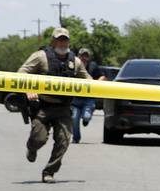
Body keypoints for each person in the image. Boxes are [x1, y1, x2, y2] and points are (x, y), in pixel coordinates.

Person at [17, 27, 85, 182]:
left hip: (63, 108)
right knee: (38, 139)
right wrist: (28, 90)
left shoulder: (76, 61)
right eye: (59, 39)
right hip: (42, 106)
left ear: (69, 41)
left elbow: (88, 81)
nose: (62, 42)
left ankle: (49, 172)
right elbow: (21, 73)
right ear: (53, 41)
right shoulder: (40, 57)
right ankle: (31, 148)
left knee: (64, 141)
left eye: (65, 39)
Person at [68, 48, 101, 142]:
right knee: (74, 118)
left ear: (89, 57)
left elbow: (102, 76)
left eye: (86, 56)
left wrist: (99, 83)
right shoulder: (72, 65)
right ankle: (76, 138)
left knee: (86, 116)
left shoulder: (93, 66)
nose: (84, 58)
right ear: (78, 56)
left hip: (88, 98)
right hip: (75, 99)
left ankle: (86, 119)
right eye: (82, 55)